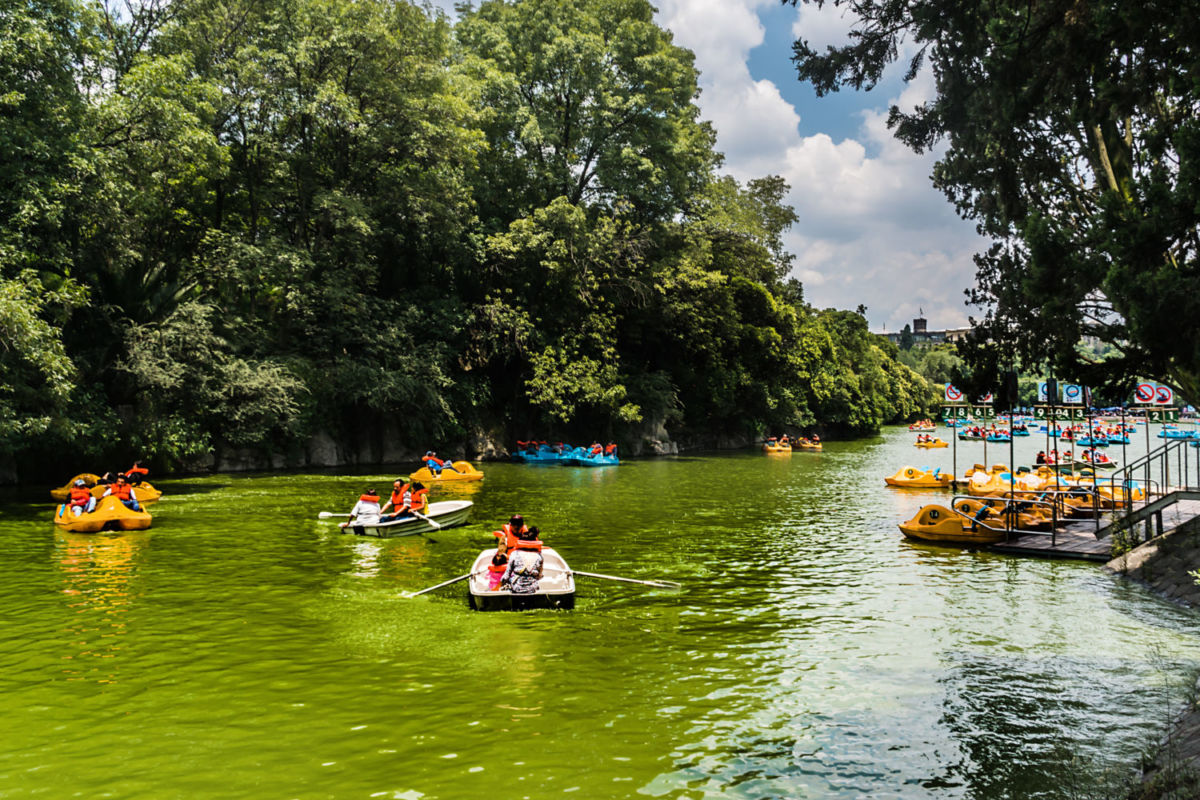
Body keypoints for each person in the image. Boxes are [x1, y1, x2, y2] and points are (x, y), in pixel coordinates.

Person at [501, 527, 544, 594]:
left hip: (516, 588)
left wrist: (502, 583)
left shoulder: (514, 554)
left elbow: (506, 576)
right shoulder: (539, 556)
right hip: (532, 589)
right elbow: (539, 576)